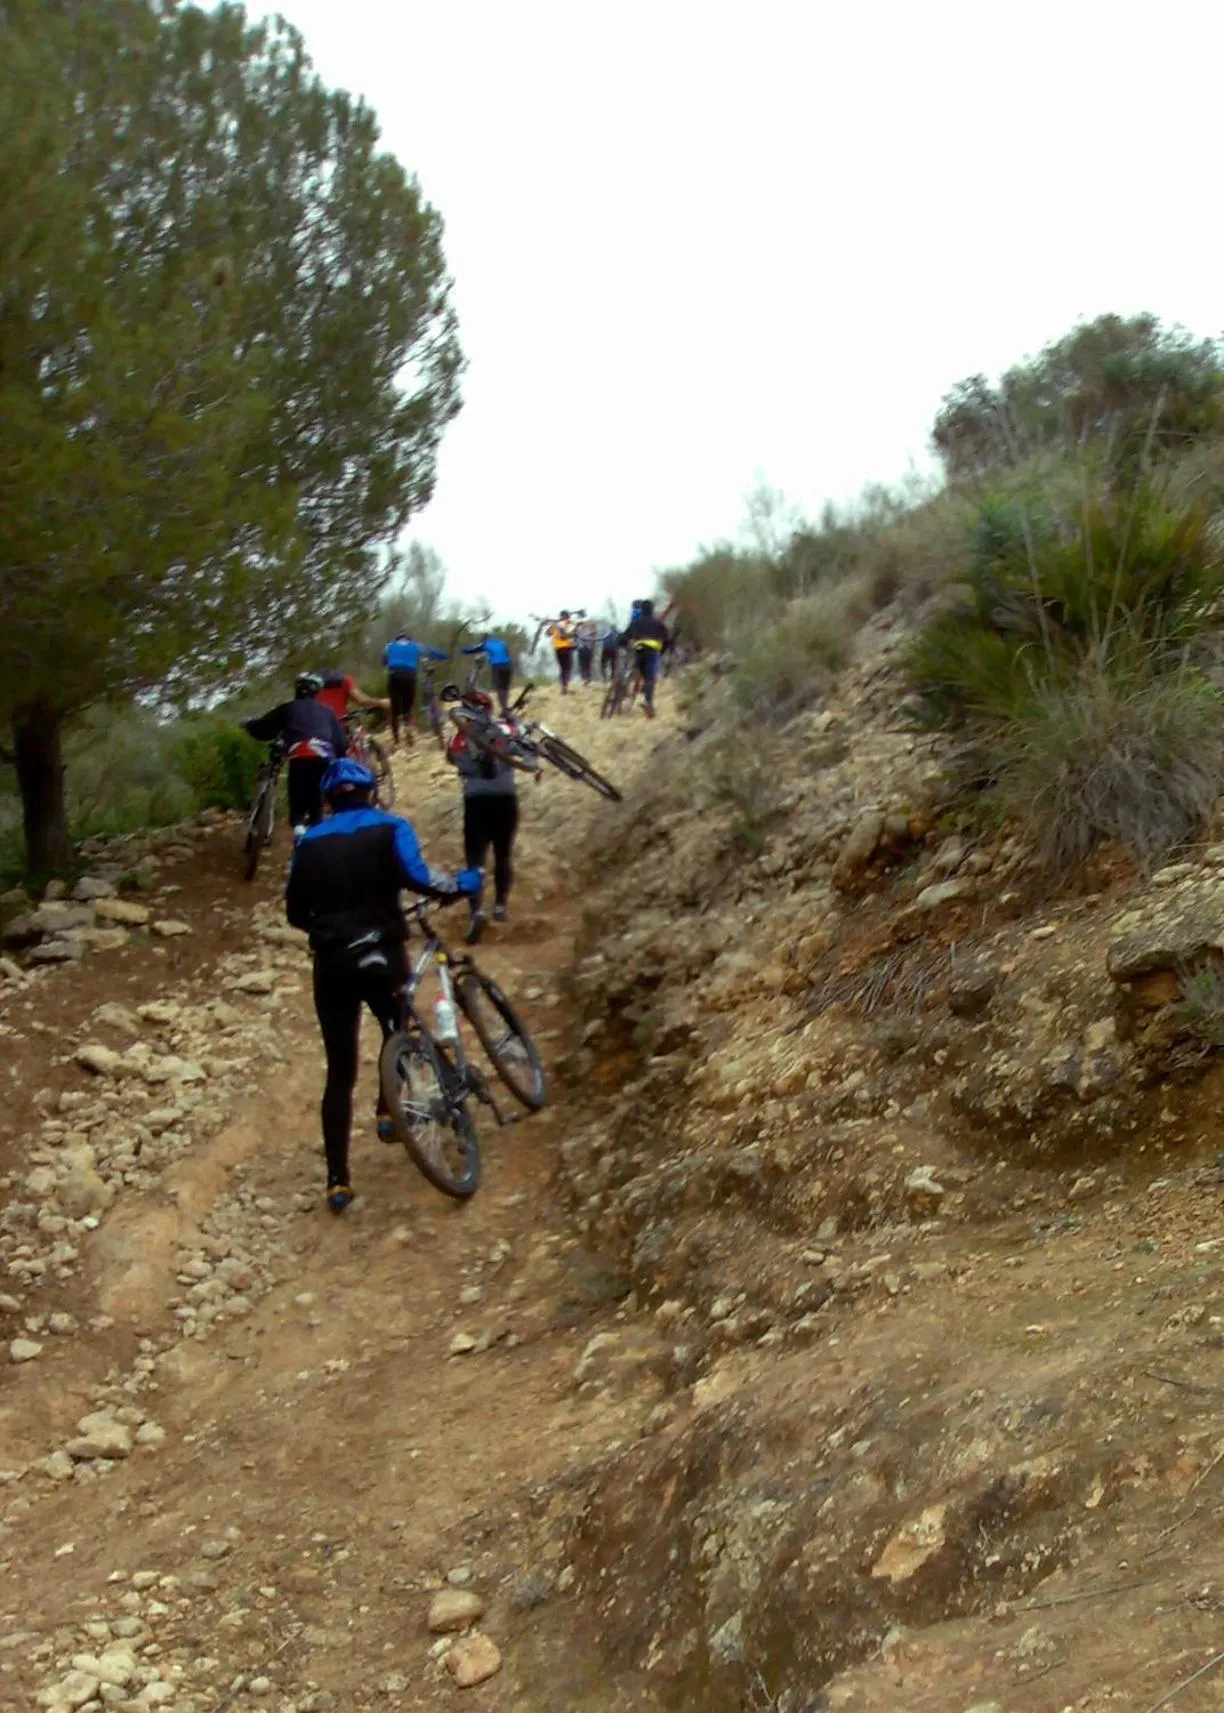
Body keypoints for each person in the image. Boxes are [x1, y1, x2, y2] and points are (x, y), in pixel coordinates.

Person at [285, 757, 482, 1213]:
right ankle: (387, 1108)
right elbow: (421, 879)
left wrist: (330, 927)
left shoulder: (307, 844)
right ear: (370, 791)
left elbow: (294, 912)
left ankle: (337, 1181)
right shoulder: (392, 826)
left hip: (333, 962)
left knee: (340, 1070)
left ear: (329, 801)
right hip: (382, 953)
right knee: (397, 1028)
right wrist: (464, 882)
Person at [445, 693, 519, 944]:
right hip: (505, 798)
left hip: (476, 801)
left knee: (475, 858)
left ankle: (476, 910)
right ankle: (500, 906)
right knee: (503, 854)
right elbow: (522, 745)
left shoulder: (459, 736)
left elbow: (451, 758)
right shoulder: (505, 729)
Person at [242, 673, 348, 833]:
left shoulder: (288, 708)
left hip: (300, 756)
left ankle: (299, 828)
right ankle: (319, 831)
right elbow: (340, 743)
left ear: (297, 689)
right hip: (324, 758)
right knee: (317, 800)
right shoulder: (328, 712)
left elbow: (263, 729)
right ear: (317, 692)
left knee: (298, 803)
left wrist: (248, 725)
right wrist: (339, 760)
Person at [381, 632, 449, 747]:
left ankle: (396, 740)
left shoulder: (389, 646)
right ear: (408, 639)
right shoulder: (416, 645)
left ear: (397, 639)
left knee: (394, 708)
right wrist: (444, 656)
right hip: (410, 676)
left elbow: (383, 661)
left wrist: (391, 663)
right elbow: (431, 652)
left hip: (394, 676)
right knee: (407, 707)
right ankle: (407, 727)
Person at [619, 599, 669, 719]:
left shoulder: (636, 622)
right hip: (652, 653)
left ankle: (626, 688)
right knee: (649, 678)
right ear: (652, 610)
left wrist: (623, 646)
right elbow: (667, 639)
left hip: (639, 652)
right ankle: (648, 701)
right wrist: (662, 651)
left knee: (637, 671)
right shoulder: (658, 622)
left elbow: (624, 637)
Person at [461, 634, 515, 714]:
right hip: (508, 666)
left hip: (497, 666)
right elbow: (506, 653)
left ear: (484, 640)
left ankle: (504, 709)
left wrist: (463, 650)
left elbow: (472, 650)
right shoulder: (501, 643)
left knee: (499, 688)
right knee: (504, 688)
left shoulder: (485, 644)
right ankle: (505, 707)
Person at [315, 669, 390, 722]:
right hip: (338, 726)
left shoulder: (312, 684)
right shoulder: (345, 680)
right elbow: (362, 700)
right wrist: (381, 703)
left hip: (316, 728)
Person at [548, 613, 577, 693]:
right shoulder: (570, 624)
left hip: (557, 649)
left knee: (562, 668)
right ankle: (565, 685)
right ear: (567, 617)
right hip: (566, 648)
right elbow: (572, 634)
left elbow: (548, 633)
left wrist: (552, 625)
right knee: (568, 667)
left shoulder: (556, 624)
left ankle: (563, 685)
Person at [576, 619, 597, 686]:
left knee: (587, 664)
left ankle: (587, 678)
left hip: (587, 649)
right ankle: (585, 678)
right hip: (581, 649)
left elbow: (593, 640)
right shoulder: (578, 630)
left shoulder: (589, 630)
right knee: (582, 664)